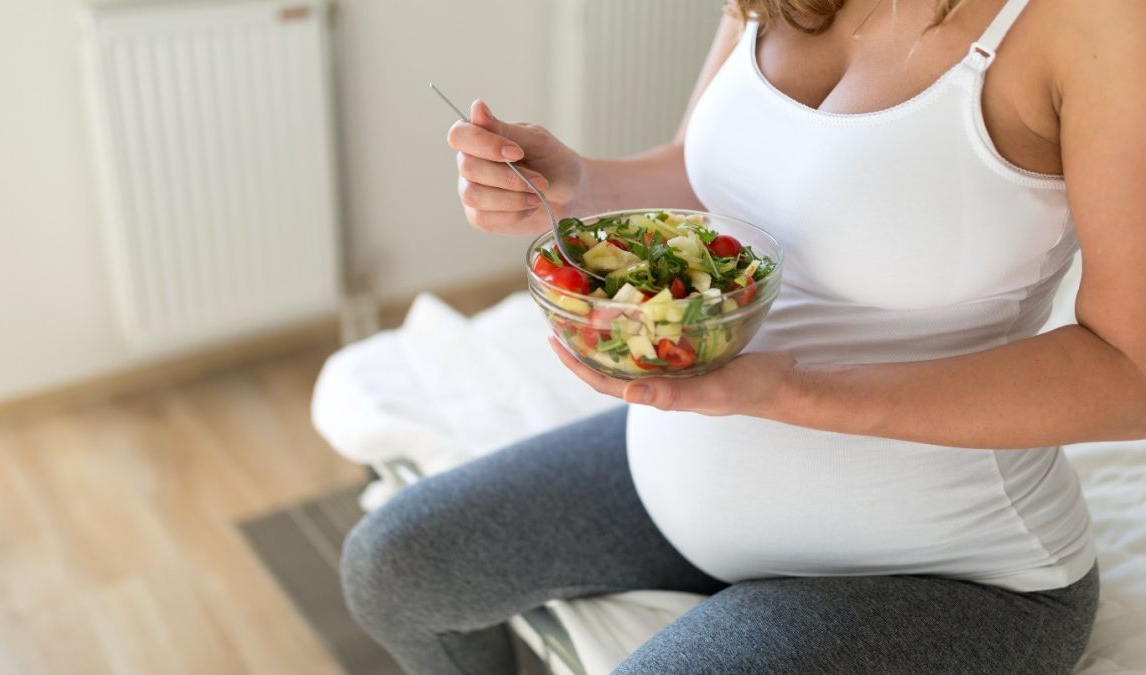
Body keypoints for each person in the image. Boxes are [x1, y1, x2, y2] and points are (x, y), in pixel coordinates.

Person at [340, 0, 1146, 672]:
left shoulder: (1093, 23)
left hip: (944, 569)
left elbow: (1130, 371)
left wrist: (792, 390)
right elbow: (710, 171)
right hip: (682, 475)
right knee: (395, 567)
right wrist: (578, 183)